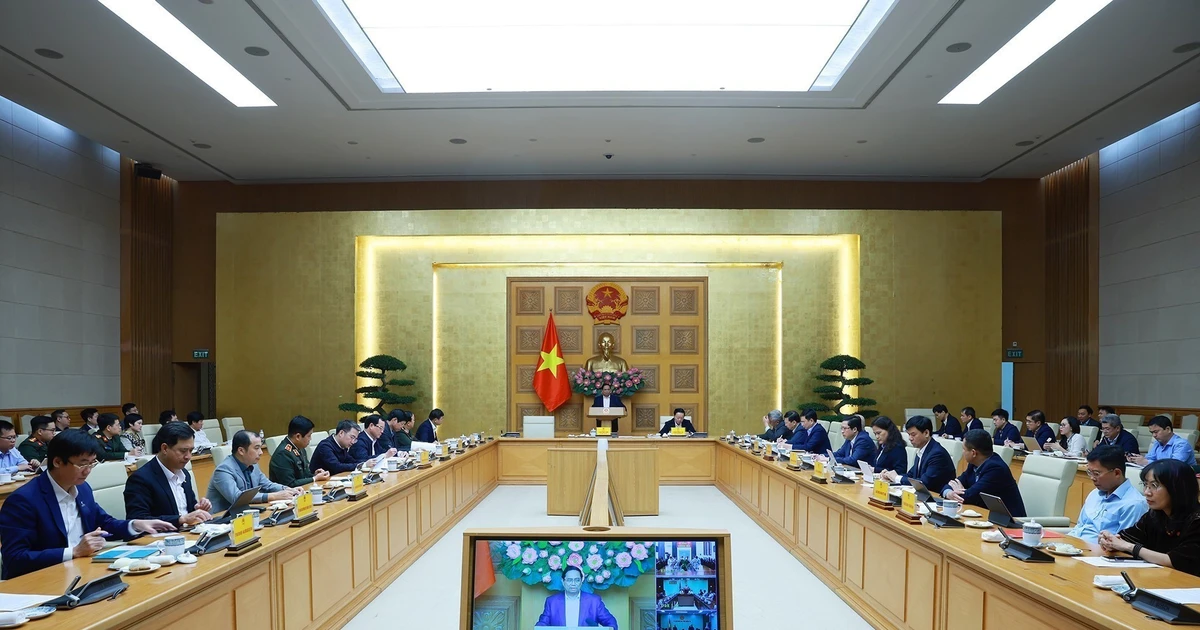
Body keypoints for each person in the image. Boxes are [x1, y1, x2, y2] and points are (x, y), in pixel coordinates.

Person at [0, 429, 174, 580]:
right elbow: (14, 559)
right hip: (42, 581)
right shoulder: (24, 500)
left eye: (92, 463)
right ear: (58, 462)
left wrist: (135, 524)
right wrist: (74, 551)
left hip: (83, 570)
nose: (88, 470)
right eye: (82, 464)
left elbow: (104, 523)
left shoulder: (82, 489)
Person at [1100, 459, 1200, 575]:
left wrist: (1129, 547)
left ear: (1177, 488)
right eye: (1145, 485)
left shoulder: (1196, 520)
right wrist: (1110, 541)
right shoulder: (1154, 514)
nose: (1147, 492)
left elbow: (1175, 561)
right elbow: (1125, 539)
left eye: (1154, 485)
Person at [123, 421, 213, 528]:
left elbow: (188, 511)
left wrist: (198, 509)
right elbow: (137, 520)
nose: (188, 456)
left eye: (191, 450)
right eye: (183, 451)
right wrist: (180, 519)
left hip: (187, 533)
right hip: (159, 540)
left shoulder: (184, 474)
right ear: (165, 448)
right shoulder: (140, 479)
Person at [1065, 446, 1148, 543]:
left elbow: (1123, 547)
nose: (1092, 478)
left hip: (1095, 554)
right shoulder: (1095, 493)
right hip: (1073, 544)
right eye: (1089, 472)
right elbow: (1079, 526)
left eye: (1096, 473)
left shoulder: (1134, 504)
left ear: (1117, 473)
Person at [206, 430, 301, 513]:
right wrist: (273, 496)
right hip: (221, 520)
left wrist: (288, 489)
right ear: (241, 451)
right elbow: (237, 498)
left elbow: (268, 485)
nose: (261, 452)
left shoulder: (253, 465)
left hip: (245, 515)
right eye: (256, 448)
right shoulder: (223, 470)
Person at [942, 429, 1026, 516]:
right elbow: (951, 484)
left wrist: (959, 493)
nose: (962, 452)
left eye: (964, 449)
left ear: (973, 453)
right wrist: (949, 492)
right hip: (986, 515)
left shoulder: (996, 469)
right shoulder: (973, 464)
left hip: (1009, 522)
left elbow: (968, 497)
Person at [883, 416, 956, 492]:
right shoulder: (922, 450)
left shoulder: (937, 454)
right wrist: (890, 475)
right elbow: (911, 475)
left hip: (937, 498)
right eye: (909, 435)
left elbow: (924, 482)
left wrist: (897, 478)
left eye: (913, 435)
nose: (910, 438)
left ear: (926, 433)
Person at [534, 566, 619, 628]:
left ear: (581, 581)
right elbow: (542, 624)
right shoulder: (552, 602)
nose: (573, 583)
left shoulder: (594, 601)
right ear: (563, 581)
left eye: (577, 580)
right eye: (569, 580)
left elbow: (611, 622)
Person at [269, 415, 330, 487]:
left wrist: (315, 474)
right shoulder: (283, 454)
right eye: (309, 436)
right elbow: (290, 484)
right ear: (298, 436)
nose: (310, 439)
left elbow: (304, 475)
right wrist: (314, 478)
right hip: (286, 495)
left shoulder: (301, 448)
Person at [1131, 415, 1196, 466]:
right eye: (1152, 432)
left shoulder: (1181, 444)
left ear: (1168, 429)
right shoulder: (1157, 443)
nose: (1154, 435)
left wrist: (1146, 462)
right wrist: (1137, 459)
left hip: (1181, 479)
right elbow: (1150, 458)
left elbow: (1173, 466)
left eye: (1156, 432)